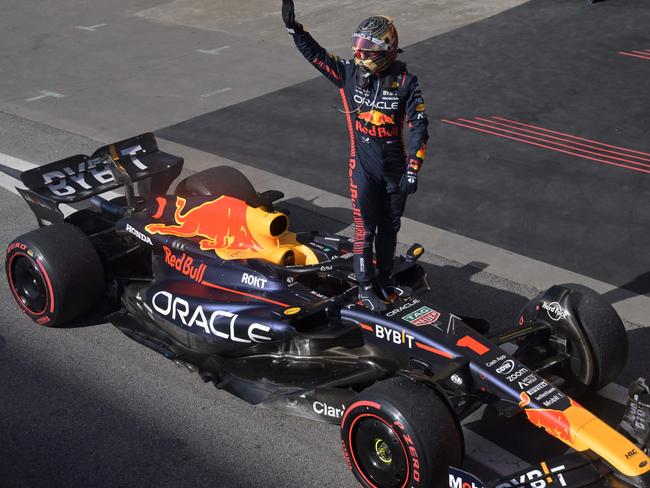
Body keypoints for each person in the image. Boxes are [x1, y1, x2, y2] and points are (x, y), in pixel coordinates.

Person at [282, 0, 429, 312]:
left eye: (367, 51)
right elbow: (317, 56)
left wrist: (413, 168)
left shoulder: (406, 82)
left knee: (390, 227)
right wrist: (296, 31)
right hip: (362, 167)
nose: (359, 55)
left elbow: (419, 127)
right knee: (366, 228)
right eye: (358, 49)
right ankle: (364, 287)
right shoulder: (347, 73)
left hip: (395, 171)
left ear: (387, 49)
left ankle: (386, 278)